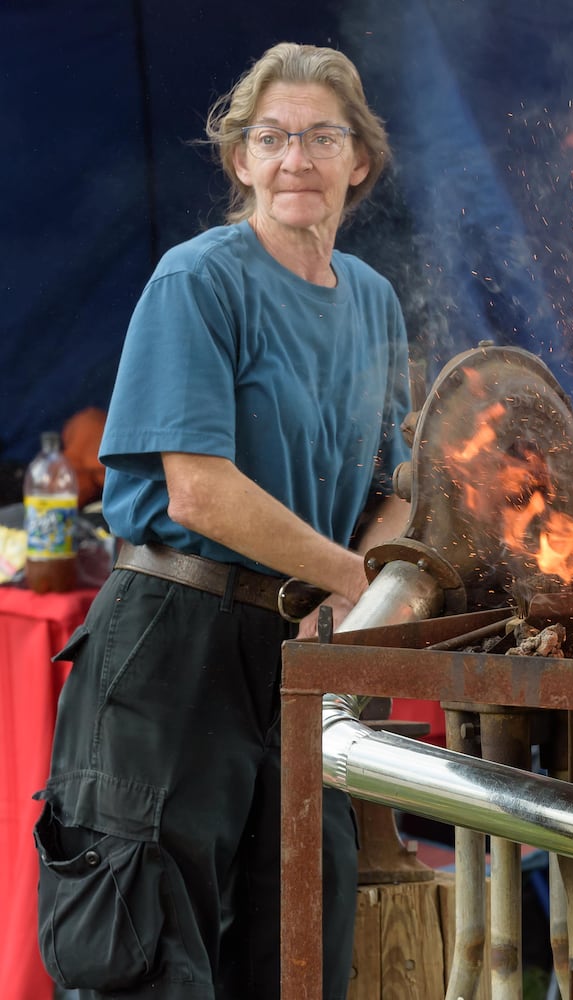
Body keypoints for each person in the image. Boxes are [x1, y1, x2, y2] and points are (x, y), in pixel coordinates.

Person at [33, 42, 412, 999]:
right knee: (152, 955)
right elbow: (198, 489)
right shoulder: (196, 281)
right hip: (173, 644)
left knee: (297, 943)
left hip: (301, 653)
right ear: (239, 159)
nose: (297, 160)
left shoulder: (373, 300)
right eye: (272, 137)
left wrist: (353, 599)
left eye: (323, 137)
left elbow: (395, 488)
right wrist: (349, 577)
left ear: (358, 161)